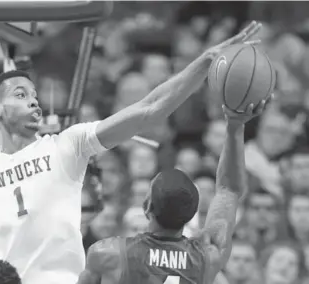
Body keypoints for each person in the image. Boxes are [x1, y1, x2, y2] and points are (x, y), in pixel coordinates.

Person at [0, 21, 262, 284]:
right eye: (20, 94)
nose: (33, 100)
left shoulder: (67, 145)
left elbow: (149, 109)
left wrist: (203, 62)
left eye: (34, 94)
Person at [76, 98, 270, 283]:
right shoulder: (208, 257)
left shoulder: (107, 253)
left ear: (146, 207)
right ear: (192, 214)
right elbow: (230, 190)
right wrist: (236, 125)